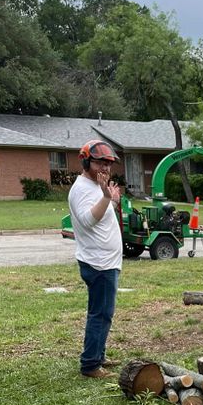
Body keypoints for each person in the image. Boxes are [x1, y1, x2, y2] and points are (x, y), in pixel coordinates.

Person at [69, 140, 123, 378]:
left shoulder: (95, 187)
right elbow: (88, 220)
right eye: (100, 162)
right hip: (98, 263)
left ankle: (98, 355)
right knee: (100, 314)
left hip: (107, 262)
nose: (105, 167)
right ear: (85, 161)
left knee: (103, 312)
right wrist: (104, 197)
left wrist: (111, 200)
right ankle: (91, 364)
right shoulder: (81, 189)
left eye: (108, 163)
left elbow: (102, 217)